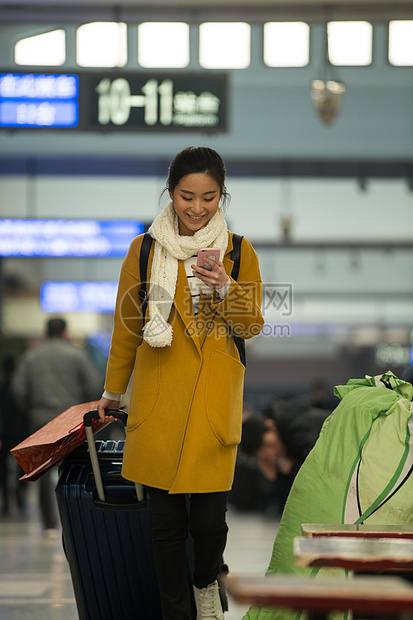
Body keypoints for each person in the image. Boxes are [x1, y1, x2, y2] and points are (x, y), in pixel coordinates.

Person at [97, 146, 264, 620]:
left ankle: (205, 580)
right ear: (170, 193)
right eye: (187, 196)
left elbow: (251, 324)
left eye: (209, 198)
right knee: (166, 526)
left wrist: (224, 287)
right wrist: (113, 390)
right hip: (160, 396)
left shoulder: (237, 250)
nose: (197, 208)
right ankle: (177, 613)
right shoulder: (144, 249)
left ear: (221, 197)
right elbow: (127, 325)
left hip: (213, 396)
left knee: (210, 522)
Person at [12, 317, 102, 535]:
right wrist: (82, 410)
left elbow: (18, 388)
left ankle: (49, 524)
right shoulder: (77, 355)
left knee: (43, 470)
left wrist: (31, 410)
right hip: (71, 419)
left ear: (45, 333)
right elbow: (94, 384)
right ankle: (78, 516)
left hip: (40, 416)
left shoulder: (31, 356)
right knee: (77, 464)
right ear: (65, 333)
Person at [230, 400, 331, 516]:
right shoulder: (290, 425)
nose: (271, 453)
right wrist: (278, 476)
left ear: (270, 425)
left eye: (268, 445)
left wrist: (291, 468)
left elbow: (322, 475)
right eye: (262, 454)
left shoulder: (300, 430)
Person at [0, 355, 28, 516]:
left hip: (6, 435)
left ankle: (6, 501)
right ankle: (19, 495)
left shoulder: (3, 388)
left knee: (3, 469)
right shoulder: (20, 389)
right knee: (22, 468)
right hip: (20, 434)